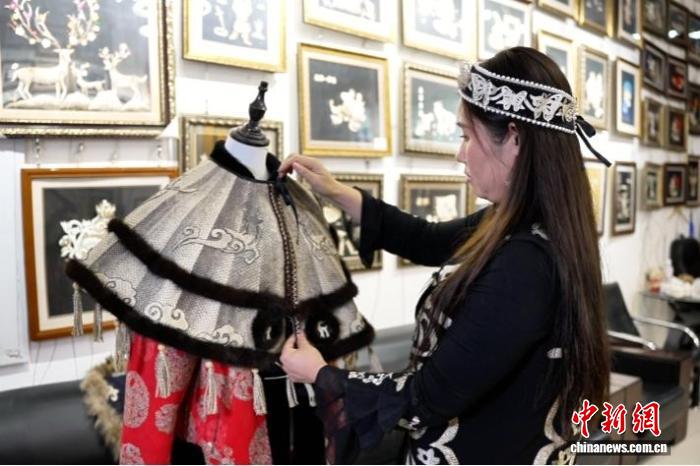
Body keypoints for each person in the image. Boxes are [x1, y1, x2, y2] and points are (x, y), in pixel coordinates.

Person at [277, 47, 611, 464]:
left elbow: (426, 397)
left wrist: (319, 374)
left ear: (514, 139)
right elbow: (428, 240)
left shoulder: (527, 264)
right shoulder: (519, 224)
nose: (459, 153)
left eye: (466, 136)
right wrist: (335, 191)